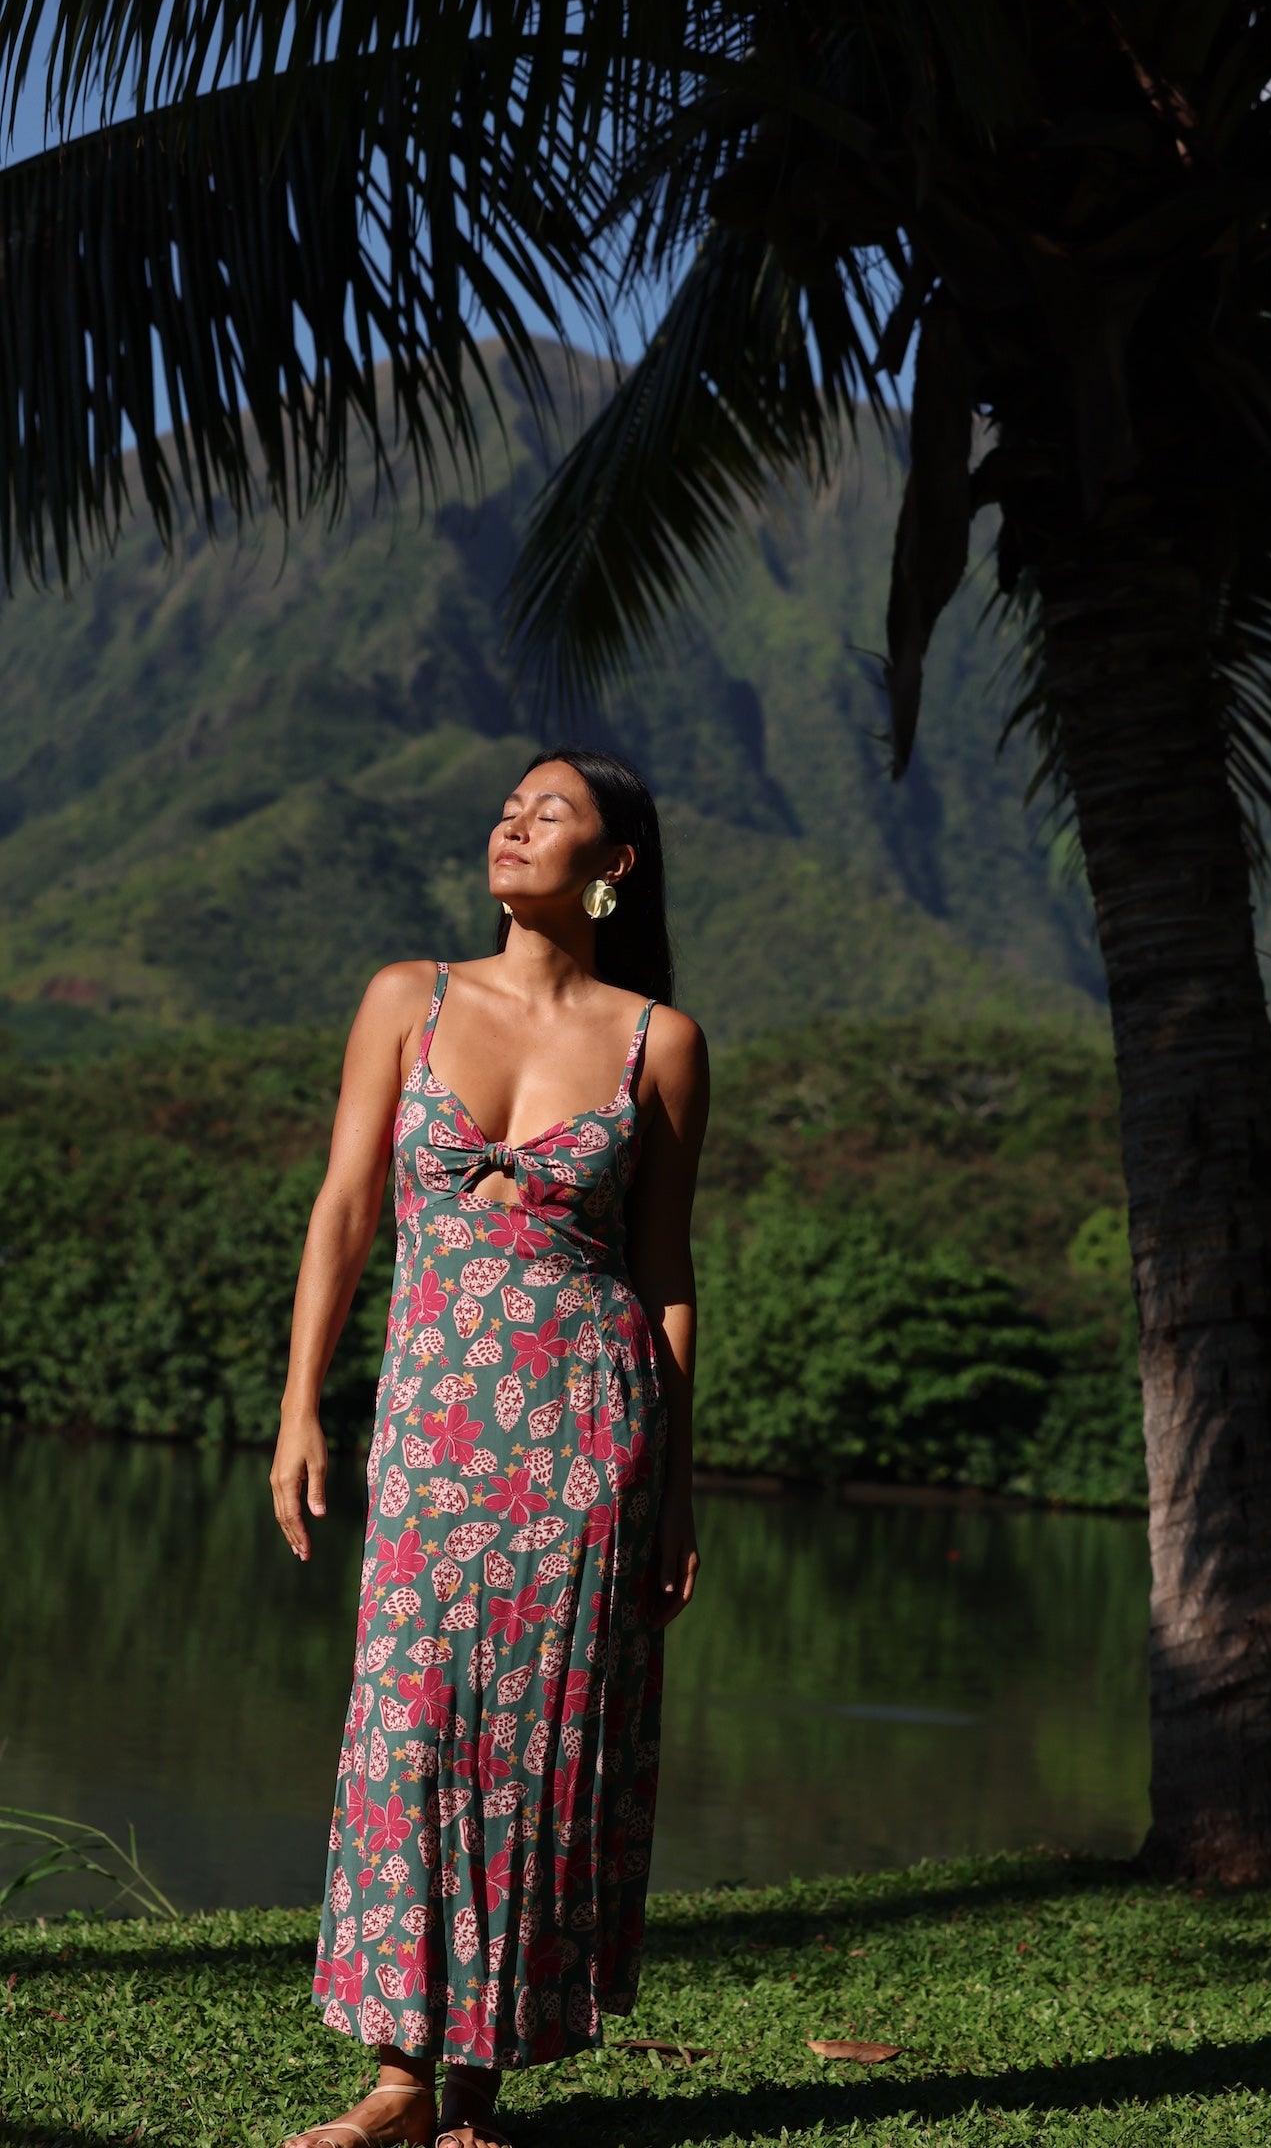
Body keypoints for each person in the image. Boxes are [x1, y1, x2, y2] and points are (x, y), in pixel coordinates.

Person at [269, 748, 708, 2148]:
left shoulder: (660, 1040)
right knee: (411, 1722)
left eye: (551, 811)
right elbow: (345, 1210)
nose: (513, 822)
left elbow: (665, 1268)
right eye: (510, 806)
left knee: (538, 1744)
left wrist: (675, 1481)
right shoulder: (411, 997)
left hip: (591, 1431)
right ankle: (397, 2076)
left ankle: (473, 2095)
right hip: (432, 1428)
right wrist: (299, 1405)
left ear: (610, 863)